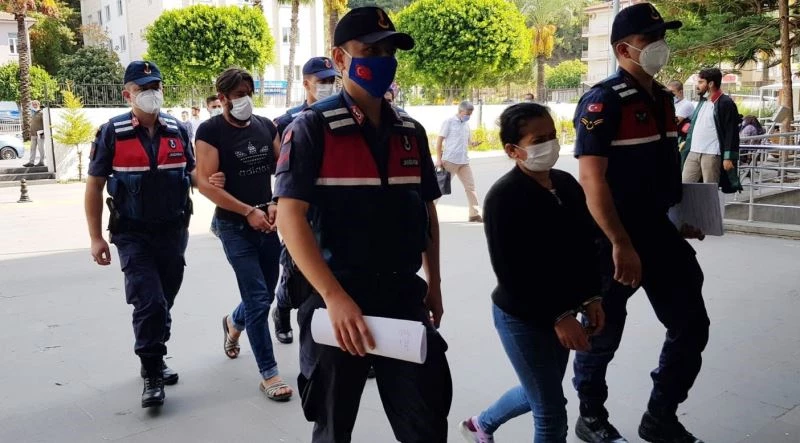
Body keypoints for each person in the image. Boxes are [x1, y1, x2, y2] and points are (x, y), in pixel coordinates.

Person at [274, 6, 452, 441]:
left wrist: (434, 283)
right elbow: (290, 218)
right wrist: (334, 297)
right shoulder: (312, 129)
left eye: (389, 51)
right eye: (370, 51)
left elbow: (426, 211)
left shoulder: (410, 131)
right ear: (340, 59)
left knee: (426, 420)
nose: (383, 60)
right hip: (336, 299)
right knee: (333, 425)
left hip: (401, 296)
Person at [571, 4, 709, 443]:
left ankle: (660, 415)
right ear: (622, 49)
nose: (659, 47)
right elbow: (591, 180)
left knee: (691, 324)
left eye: (661, 38)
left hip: (658, 231)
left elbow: (661, 172)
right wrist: (619, 242)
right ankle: (591, 416)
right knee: (602, 333)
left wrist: (680, 218)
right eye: (649, 40)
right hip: (612, 238)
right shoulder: (603, 101)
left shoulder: (663, 99)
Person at [458, 103, 605, 443]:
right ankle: (481, 425)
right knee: (550, 410)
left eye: (552, 136)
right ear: (513, 150)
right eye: (538, 140)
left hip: (565, 308)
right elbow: (513, 272)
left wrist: (592, 297)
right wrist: (559, 316)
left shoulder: (565, 184)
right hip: (522, 316)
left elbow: (586, 245)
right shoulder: (504, 197)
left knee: (539, 390)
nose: (549, 145)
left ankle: (480, 425)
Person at [85, 61, 196, 408]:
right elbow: (94, 186)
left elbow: (194, 174)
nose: (151, 93)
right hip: (133, 234)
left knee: (165, 300)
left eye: (155, 86)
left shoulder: (178, 129)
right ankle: (151, 372)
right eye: (143, 88)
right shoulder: (112, 132)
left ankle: (156, 354)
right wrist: (95, 238)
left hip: (173, 231)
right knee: (149, 302)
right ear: (127, 94)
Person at [195, 67, 293, 402]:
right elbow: (206, 185)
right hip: (234, 226)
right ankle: (269, 373)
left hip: (267, 221)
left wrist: (276, 202)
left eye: (249, 93)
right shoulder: (210, 131)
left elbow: (283, 168)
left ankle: (233, 324)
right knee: (257, 298)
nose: (245, 100)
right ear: (222, 98)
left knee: (265, 294)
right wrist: (247, 211)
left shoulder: (266, 126)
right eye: (238, 95)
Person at [271, 56, 339, 345]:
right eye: (322, 81)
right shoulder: (287, 121)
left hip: (330, 206)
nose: (328, 86)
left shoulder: (339, 116)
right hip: (297, 206)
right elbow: (276, 166)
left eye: (332, 80)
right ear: (306, 83)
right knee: (295, 271)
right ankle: (282, 309)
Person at [681, 68, 742, 193]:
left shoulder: (725, 103)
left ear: (710, 84)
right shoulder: (702, 102)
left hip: (712, 153)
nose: (697, 86)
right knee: (684, 188)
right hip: (694, 151)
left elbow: (731, 132)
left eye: (701, 82)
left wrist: (728, 158)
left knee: (709, 192)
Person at [436, 101, 483, 222]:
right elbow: (439, 141)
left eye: (470, 114)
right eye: (467, 113)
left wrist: (474, 143)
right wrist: (438, 159)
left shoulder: (466, 125)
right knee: (440, 188)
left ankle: (474, 214)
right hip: (449, 161)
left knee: (470, 187)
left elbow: (468, 142)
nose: (469, 116)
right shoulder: (449, 122)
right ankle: (428, 213)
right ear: (461, 111)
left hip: (463, 161)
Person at [23, 100, 45, 167]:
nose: (34, 105)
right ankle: (31, 162)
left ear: (38, 104)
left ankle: (42, 162)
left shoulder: (42, 113)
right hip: (33, 134)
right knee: (32, 149)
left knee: (41, 148)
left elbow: (45, 123)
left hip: (40, 133)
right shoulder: (32, 113)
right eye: (33, 104)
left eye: (35, 104)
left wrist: (43, 133)